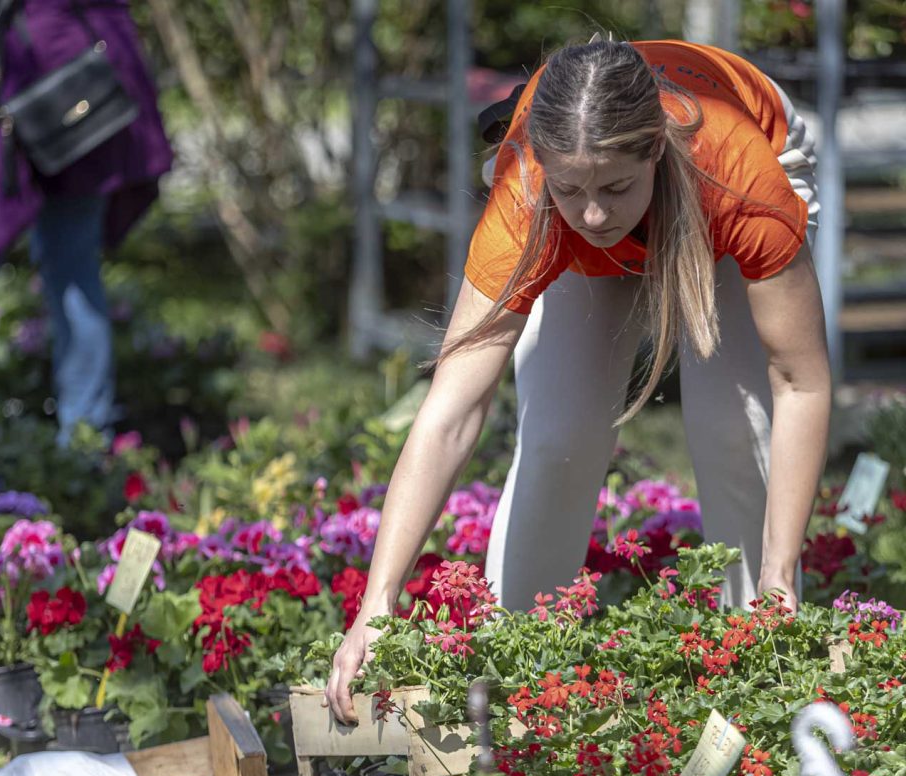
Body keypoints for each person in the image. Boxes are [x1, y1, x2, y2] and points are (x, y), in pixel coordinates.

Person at [326, 37, 831, 724]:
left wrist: (778, 573)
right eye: (573, 190)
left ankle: (759, 684)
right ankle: (517, 690)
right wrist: (378, 604)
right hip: (596, 194)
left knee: (731, 430)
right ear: (542, 165)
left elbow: (800, 382)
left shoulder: (740, 181)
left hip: (725, 182)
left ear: (653, 149)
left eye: (615, 188)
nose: (593, 216)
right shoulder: (529, 195)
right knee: (559, 434)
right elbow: (451, 411)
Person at [0, 0, 173, 447]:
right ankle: (86, 442)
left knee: (65, 268)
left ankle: (85, 441)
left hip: (41, 85)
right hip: (63, 77)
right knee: (73, 271)